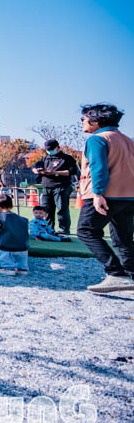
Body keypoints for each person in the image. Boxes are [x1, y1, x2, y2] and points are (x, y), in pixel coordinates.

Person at [76, 103, 134, 294]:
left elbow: (98, 168)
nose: (82, 122)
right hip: (128, 196)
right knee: (123, 238)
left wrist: (98, 193)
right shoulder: (128, 140)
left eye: (84, 118)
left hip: (105, 194)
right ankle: (130, 274)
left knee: (86, 230)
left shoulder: (97, 140)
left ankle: (116, 273)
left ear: (96, 120)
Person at [31, 138, 79, 235]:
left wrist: (55, 172)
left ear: (58, 147)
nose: (49, 151)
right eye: (47, 149)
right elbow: (35, 168)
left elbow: (71, 172)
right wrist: (37, 171)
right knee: (46, 209)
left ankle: (64, 229)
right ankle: (48, 228)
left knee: (61, 209)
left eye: (51, 148)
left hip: (61, 186)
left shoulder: (67, 158)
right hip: (46, 186)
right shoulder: (44, 158)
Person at [0, 193, 29, 276]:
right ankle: (22, 269)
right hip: (23, 246)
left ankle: (8, 268)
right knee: (21, 258)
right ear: (11, 206)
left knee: (5, 257)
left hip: (7, 245)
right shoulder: (23, 219)